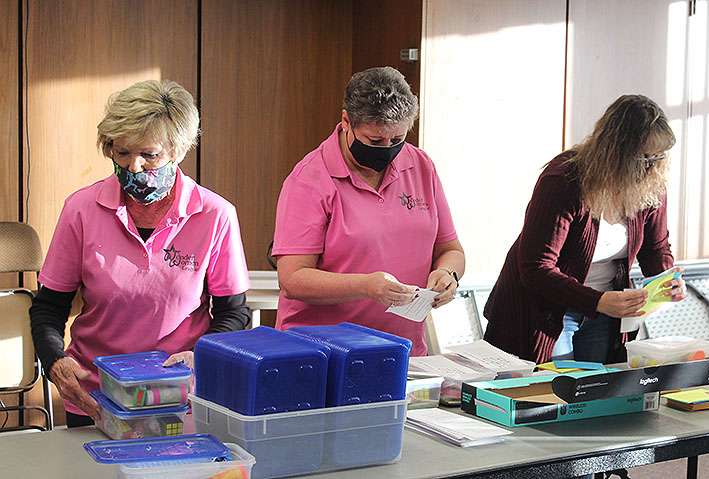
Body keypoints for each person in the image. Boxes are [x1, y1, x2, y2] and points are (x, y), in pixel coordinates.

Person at [30, 80, 251, 427]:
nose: (134, 167)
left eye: (149, 155)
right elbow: (49, 307)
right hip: (95, 398)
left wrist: (200, 355)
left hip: (181, 399)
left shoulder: (214, 214)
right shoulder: (81, 209)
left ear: (178, 150)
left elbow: (233, 313)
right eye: (122, 153)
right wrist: (55, 361)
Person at [272, 66, 465, 356]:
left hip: (402, 352)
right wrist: (365, 286)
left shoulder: (421, 166)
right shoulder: (310, 179)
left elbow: (451, 248)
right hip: (321, 354)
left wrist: (447, 273)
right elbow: (293, 279)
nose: (387, 149)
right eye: (375, 141)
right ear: (346, 121)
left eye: (397, 140)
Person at [484, 94, 685, 365]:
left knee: (596, 395)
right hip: (546, 310)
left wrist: (667, 279)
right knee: (553, 395)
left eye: (657, 157)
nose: (650, 166)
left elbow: (656, 248)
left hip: (606, 310)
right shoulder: (564, 180)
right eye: (642, 158)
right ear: (615, 153)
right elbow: (535, 267)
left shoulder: (651, 183)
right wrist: (597, 301)